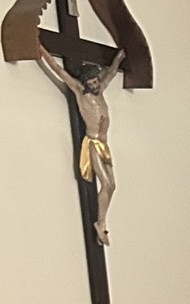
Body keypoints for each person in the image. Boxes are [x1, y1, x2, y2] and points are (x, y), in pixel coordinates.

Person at [38, 46, 125, 245]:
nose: (94, 85)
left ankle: (101, 221)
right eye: (91, 83)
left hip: (104, 144)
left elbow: (111, 73)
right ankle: (101, 223)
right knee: (106, 184)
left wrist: (119, 58)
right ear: (84, 84)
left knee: (113, 185)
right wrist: (41, 50)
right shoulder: (80, 92)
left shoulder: (100, 90)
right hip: (93, 143)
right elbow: (58, 70)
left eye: (95, 81)